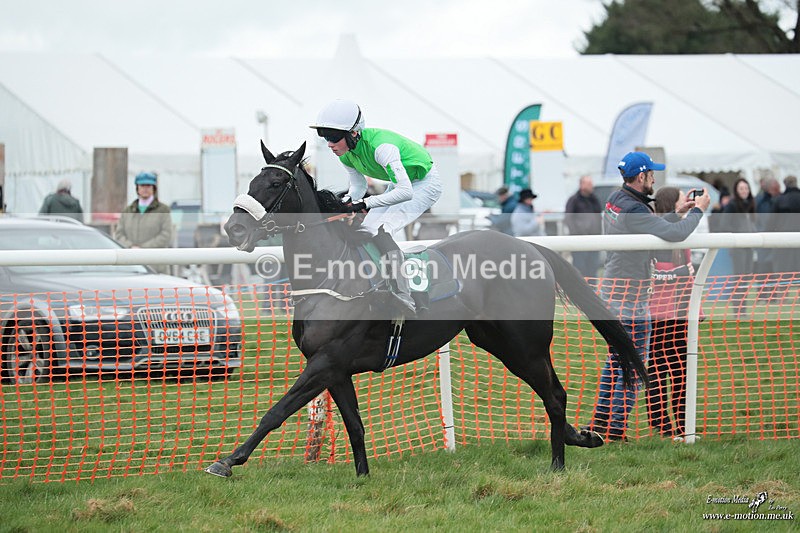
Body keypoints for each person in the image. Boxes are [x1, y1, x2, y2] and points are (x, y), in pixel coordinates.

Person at [584, 151, 710, 442]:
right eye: (652, 174)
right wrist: (698, 211)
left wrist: (677, 213)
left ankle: (600, 421)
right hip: (631, 298)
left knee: (615, 360)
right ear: (642, 177)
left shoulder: (617, 199)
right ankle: (616, 430)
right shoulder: (636, 209)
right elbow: (675, 235)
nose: (654, 178)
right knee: (633, 364)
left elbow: (651, 228)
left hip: (612, 291)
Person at [309, 99, 442, 315]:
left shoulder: (382, 148)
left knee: (383, 229)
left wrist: (364, 203)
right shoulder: (346, 154)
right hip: (399, 185)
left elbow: (405, 192)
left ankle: (404, 293)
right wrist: (347, 203)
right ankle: (375, 282)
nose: (329, 144)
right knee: (365, 230)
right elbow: (358, 186)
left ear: (353, 133)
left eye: (333, 137)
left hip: (424, 184)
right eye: (324, 137)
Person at [646, 187, 696, 439]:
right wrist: (679, 273)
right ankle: (661, 425)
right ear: (671, 205)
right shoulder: (653, 236)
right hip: (656, 318)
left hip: (679, 317)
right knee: (657, 372)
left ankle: (683, 425)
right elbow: (655, 275)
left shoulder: (682, 239)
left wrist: (695, 309)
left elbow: (689, 278)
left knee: (681, 373)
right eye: (681, 199)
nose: (686, 203)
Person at [114, 172, 174, 275]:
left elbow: (166, 235)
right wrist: (131, 247)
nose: (145, 189)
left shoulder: (163, 210)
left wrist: (143, 248)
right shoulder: (128, 211)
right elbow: (119, 234)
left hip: (156, 265)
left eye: (148, 186)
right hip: (132, 264)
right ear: (137, 188)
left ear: (153, 188)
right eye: (142, 186)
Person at [722, 178, 756, 317]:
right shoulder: (732, 205)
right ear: (736, 190)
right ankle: (738, 310)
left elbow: (753, 223)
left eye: (746, 188)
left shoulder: (751, 204)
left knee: (746, 279)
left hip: (749, 246)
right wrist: (737, 235)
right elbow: (724, 224)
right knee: (739, 279)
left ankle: (743, 310)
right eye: (741, 188)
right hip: (738, 247)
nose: (744, 191)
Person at [564, 175, 602, 278]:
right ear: (582, 185)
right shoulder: (573, 200)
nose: (591, 186)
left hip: (594, 240)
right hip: (579, 242)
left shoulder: (594, 200)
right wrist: (576, 235)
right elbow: (568, 219)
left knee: (593, 268)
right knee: (580, 269)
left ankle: (593, 287)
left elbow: (598, 217)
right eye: (589, 184)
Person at [769, 175, 800, 274]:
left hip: (785, 239)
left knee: (786, 269)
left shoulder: (779, 200)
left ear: (785, 184)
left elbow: (772, 221)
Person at [754, 177, 780, 275]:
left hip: (773, 238)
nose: (778, 191)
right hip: (763, 238)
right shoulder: (760, 201)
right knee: (764, 268)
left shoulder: (778, 199)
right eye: (776, 189)